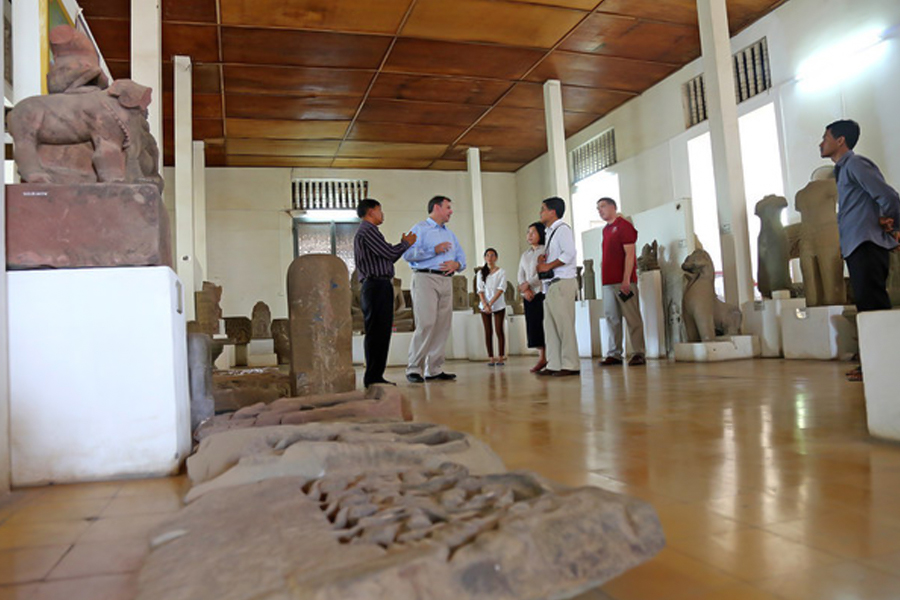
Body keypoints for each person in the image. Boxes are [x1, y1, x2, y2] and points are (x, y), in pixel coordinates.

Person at [819, 119, 900, 381]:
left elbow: (888, 196)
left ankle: (884, 365)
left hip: (867, 244)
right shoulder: (842, 171)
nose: (821, 143)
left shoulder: (855, 164)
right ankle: (872, 364)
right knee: (866, 307)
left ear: (840, 140)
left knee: (874, 307)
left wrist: (894, 223)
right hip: (857, 245)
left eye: (825, 137)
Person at [353, 198, 417, 388]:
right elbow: (389, 253)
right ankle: (372, 377)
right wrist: (405, 244)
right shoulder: (367, 231)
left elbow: (388, 256)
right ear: (371, 212)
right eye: (380, 210)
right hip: (375, 286)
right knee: (376, 333)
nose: (382, 214)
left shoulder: (370, 232)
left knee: (381, 333)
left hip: (379, 285)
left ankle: (376, 375)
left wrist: (403, 246)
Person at [402, 195, 467, 383]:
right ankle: (414, 368)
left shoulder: (450, 234)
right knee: (427, 323)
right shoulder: (420, 229)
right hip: (425, 278)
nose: (451, 211)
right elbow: (407, 254)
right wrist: (433, 251)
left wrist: (456, 264)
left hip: (447, 281)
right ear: (437, 208)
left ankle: (434, 369)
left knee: (442, 326)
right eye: (448, 207)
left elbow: (461, 258)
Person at [596, 197, 646, 367]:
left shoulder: (624, 226)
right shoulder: (606, 230)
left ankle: (638, 352)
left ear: (613, 207)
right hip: (608, 282)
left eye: (602, 206)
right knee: (612, 317)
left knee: (632, 317)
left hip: (623, 281)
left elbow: (630, 254)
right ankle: (614, 353)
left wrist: (626, 279)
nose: (600, 210)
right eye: (598, 208)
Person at [535, 196, 579, 377]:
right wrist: (543, 261)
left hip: (563, 282)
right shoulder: (549, 232)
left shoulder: (563, 229)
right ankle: (554, 363)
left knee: (564, 325)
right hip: (551, 285)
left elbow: (569, 253)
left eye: (543, 209)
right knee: (551, 326)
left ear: (553, 212)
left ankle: (571, 364)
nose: (540, 212)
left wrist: (549, 265)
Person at [518, 222, 547, 373]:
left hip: (541, 292)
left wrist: (528, 285)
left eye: (533, 232)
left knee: (544, 325)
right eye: (528, 232)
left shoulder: (545, 250)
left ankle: (547, 357)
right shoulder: (525, 254)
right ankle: (541, 357)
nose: (529, 235)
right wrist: (525, 291)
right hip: (528, 295)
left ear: (541, 234)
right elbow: (520, 274)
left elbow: (542, 273)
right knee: (533, 326)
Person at [477, 248, 507, 366]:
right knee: (488, 331)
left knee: (499, 330)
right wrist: (485, 304)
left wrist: (491, 303)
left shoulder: (501, 272)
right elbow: (480, 290)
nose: (490, 258)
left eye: (492, 255)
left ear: (496, 258)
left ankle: (500, 357)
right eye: (488, 255)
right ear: (485, 258)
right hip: (484, 306)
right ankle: (491, 358)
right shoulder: (480, 273)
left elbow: (501, 289)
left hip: (498, 304)